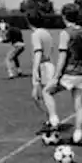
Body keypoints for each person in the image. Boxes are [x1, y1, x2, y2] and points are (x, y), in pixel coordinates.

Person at [48, 4, 82, 145]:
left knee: (46, 91)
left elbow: (62, 56)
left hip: (69, 73)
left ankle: (54, 120)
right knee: (78, 105)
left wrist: (56, 77)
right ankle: (78, 134)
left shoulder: (65, 33)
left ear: (64, 16)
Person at [25, 7, 61, 135]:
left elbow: (38, 52)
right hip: (49, 64)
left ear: (28, 22)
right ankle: (51, 120)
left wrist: (35, 70)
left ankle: (53, 120)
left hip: (43, 66)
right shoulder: (46, 32)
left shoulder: (35, 34)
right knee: (42, 95)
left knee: (42, 94)